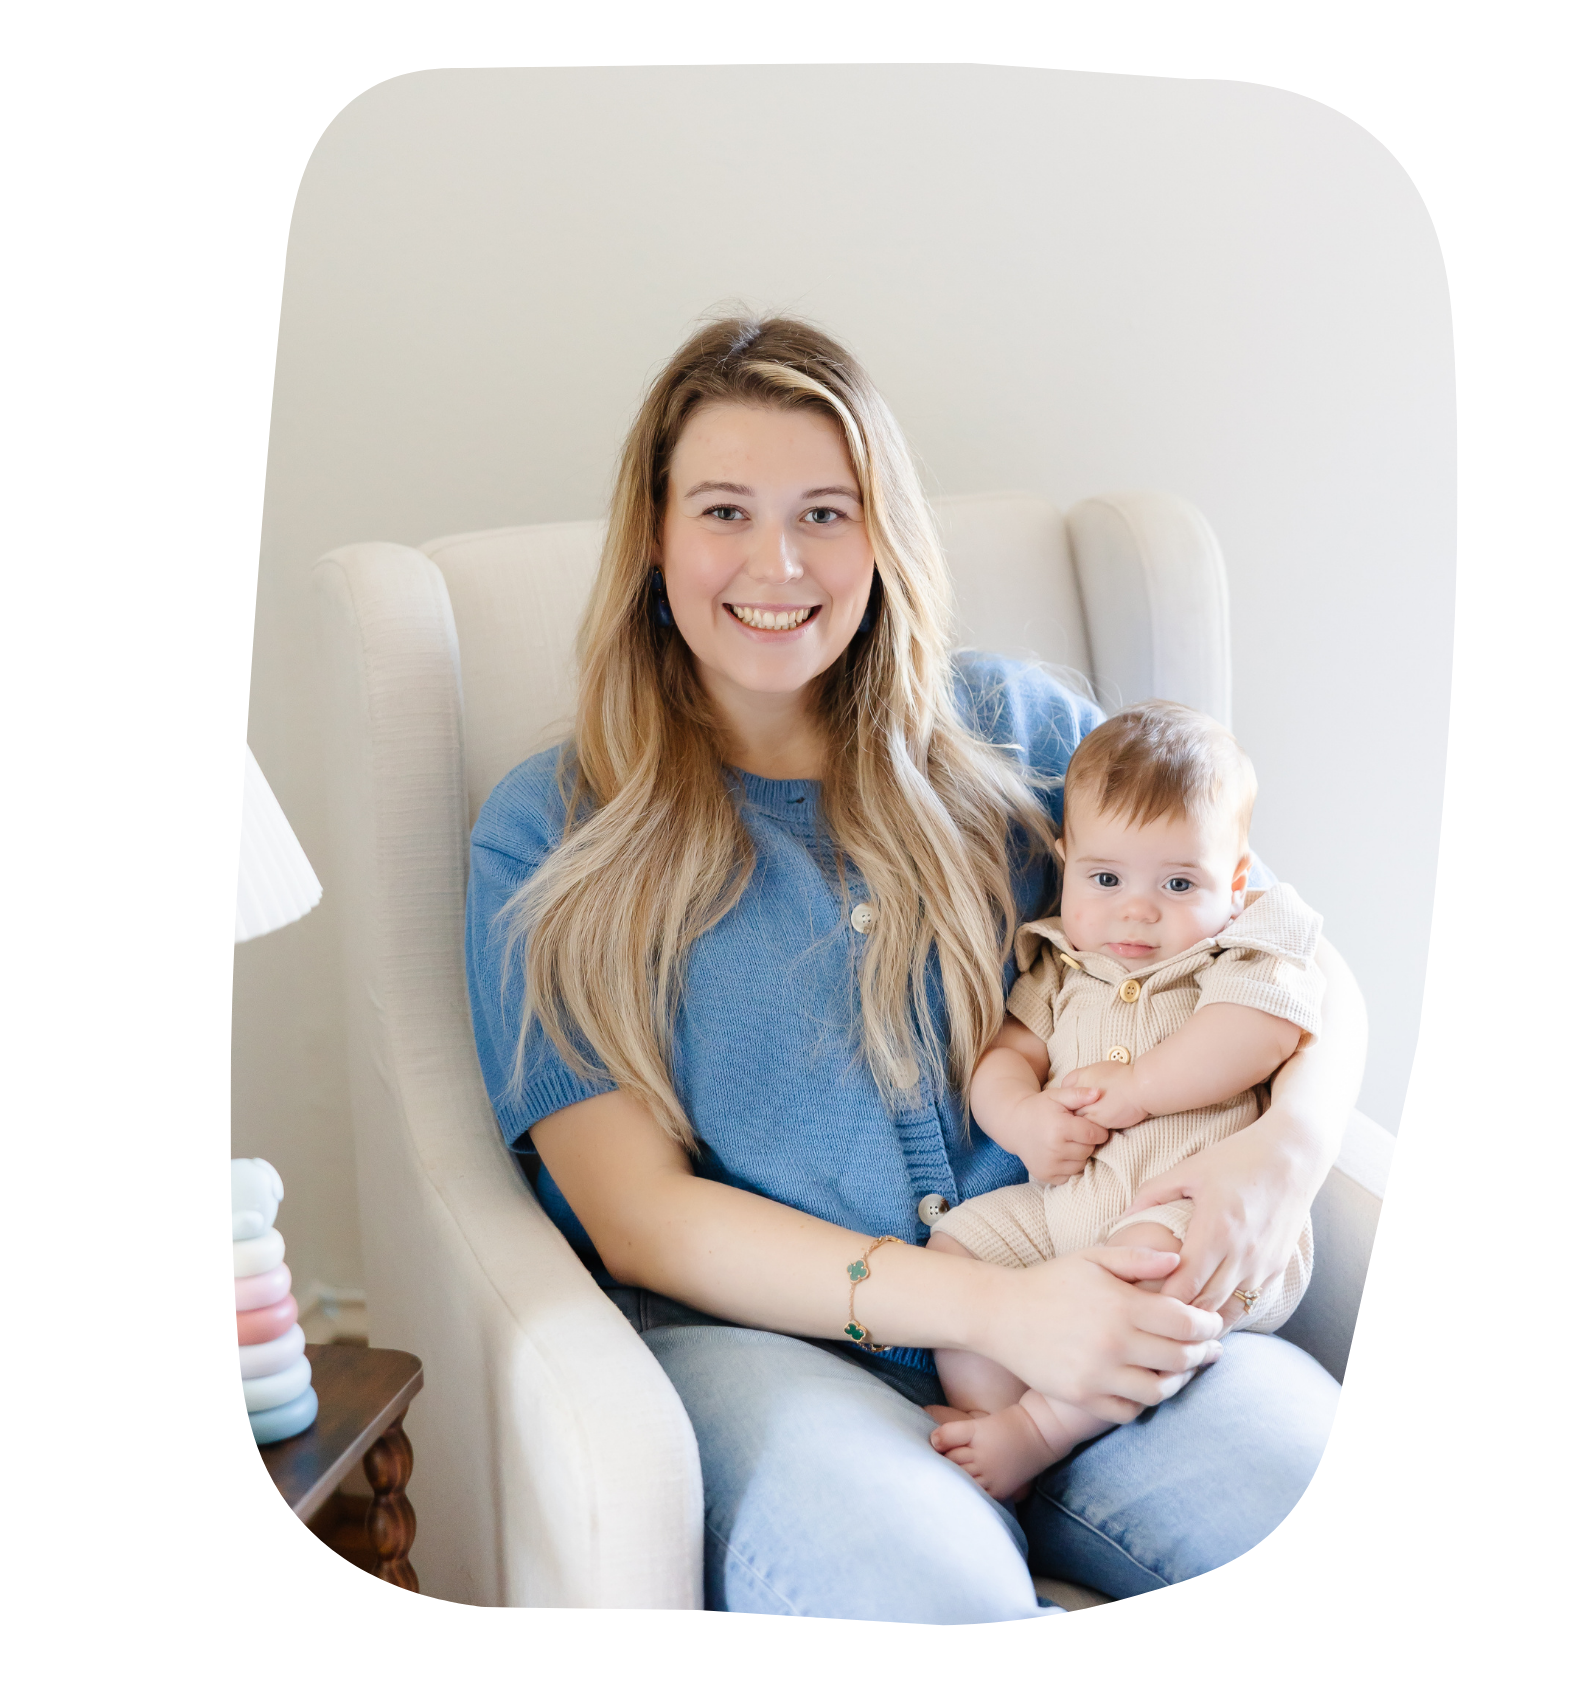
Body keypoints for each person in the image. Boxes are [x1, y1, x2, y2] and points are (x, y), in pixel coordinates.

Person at [464, 314, 1365, 1625]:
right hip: (778, 1354)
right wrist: (1001, 1312)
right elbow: (635, 1215)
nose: (779, 562)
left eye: (827, 512)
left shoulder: (1028, 737)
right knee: (923, 1601)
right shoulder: (552, 829)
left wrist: (1282, 1160)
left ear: (883, 537)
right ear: (654, 540)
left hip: (1111, 1289)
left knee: (1381, 1532)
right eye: (725, 510)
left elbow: (1300, 969)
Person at [926, 702, 1325, 1500]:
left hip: (1192, 1214)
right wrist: (1022, 1118)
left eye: (1179, 882)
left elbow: (1260, 1034)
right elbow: (1008, 1054)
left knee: (1149, 1274)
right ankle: (992, 1407)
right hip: (1063, 1214)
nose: (1137, 910)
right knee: (959, 1252)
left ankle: (1042, 1429)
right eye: (1105, 879)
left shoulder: (1241, 946)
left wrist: (1139, 1088)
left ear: (1236, 882)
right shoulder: (1064, 963)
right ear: (1067, 861)